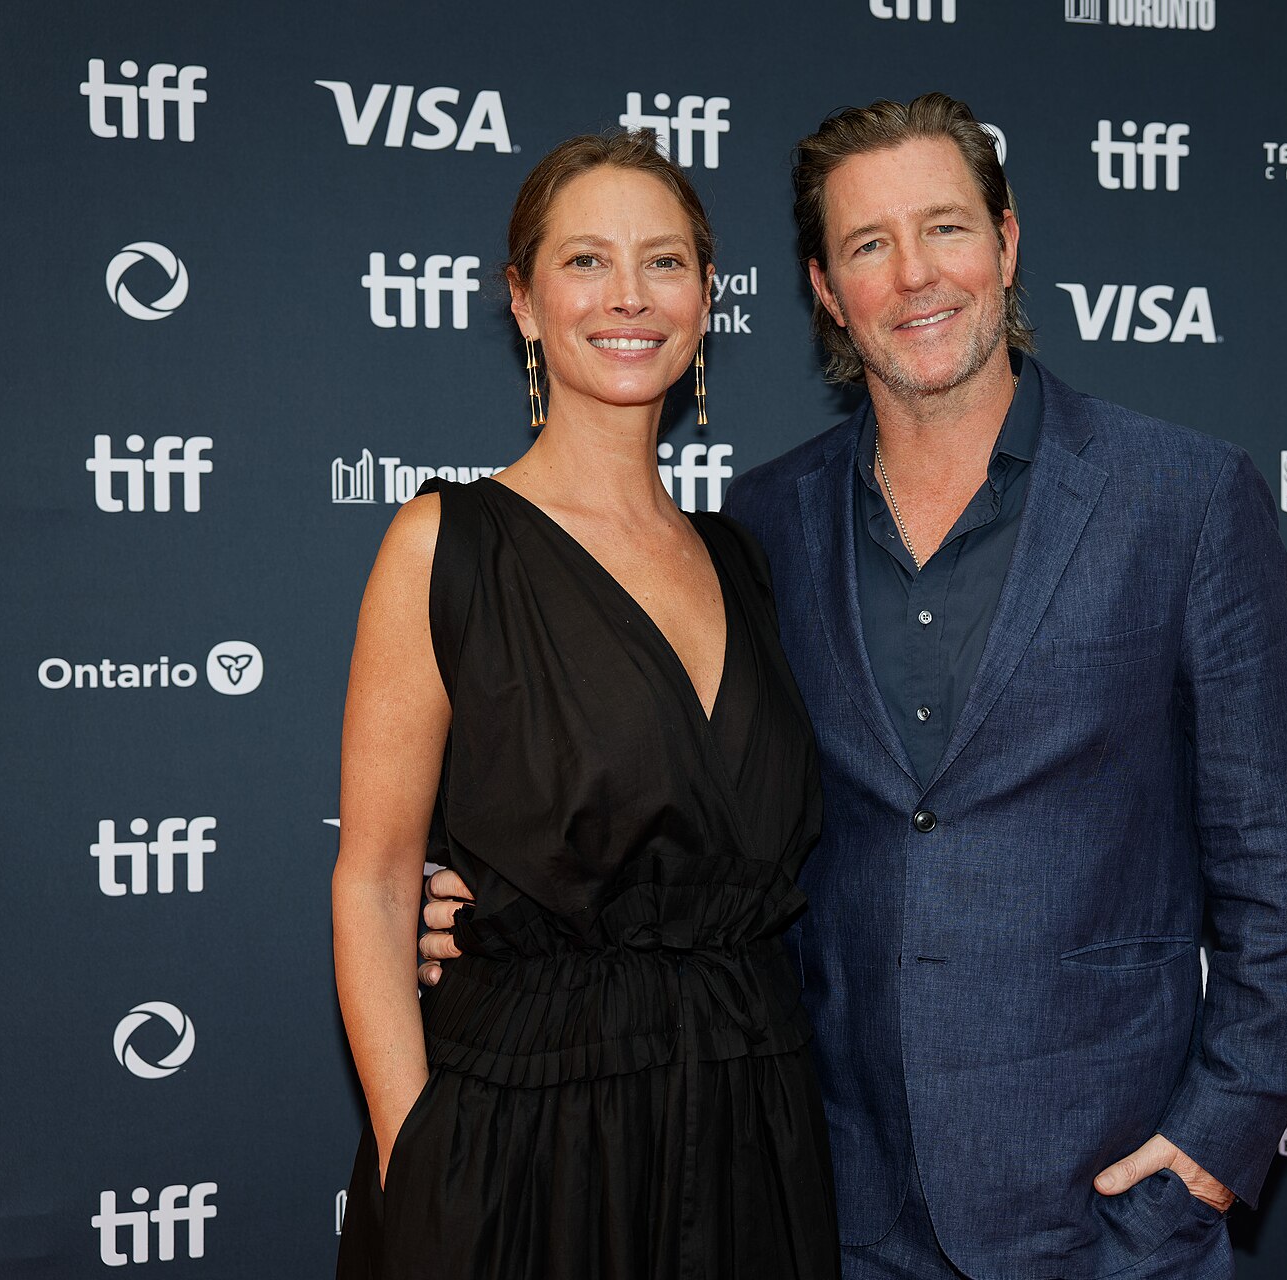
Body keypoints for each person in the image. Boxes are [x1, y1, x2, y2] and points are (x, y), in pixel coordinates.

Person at [421, 93, 1287, 1280]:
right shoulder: (762, 525)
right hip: (827, 1202)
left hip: (1109, 1216)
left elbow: (1276, 856)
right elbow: (695, 795)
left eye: (946, 229)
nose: (915, 277)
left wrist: (1217, 1140)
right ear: (822, 289)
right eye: (867, 246)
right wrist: (483, 894)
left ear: (1006, 244)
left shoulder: (1185, 497)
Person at [333, 130, 838, 1279]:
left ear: (708, 298)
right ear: (521, 301)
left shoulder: (746, 561)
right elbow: (372, 875)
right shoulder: (445, 544)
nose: (629, 296)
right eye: (585, 261)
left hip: (750, 1133)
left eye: (665, 262)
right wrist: (421, 1154)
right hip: (526, 1146)